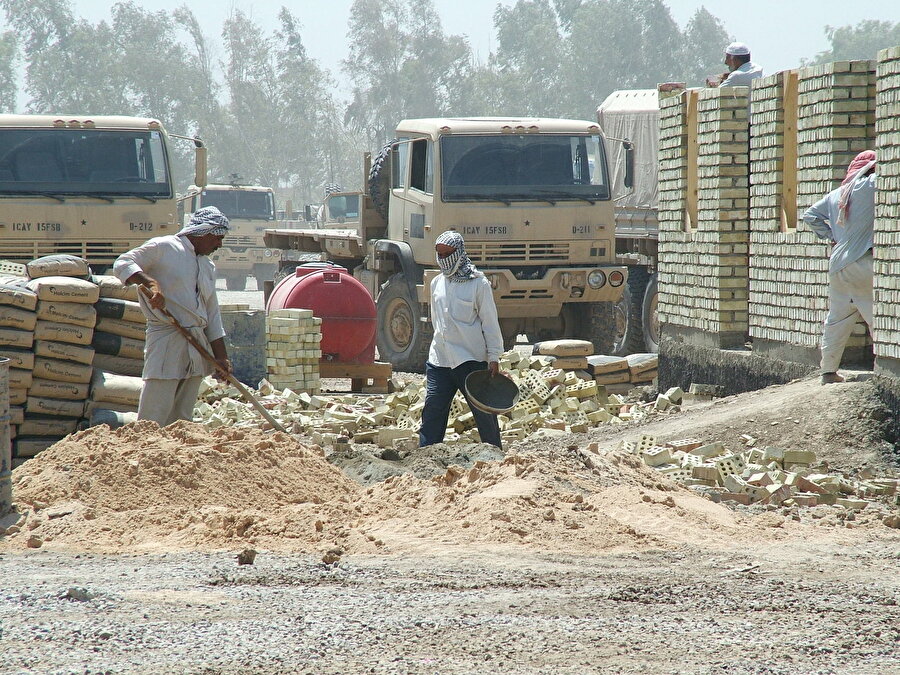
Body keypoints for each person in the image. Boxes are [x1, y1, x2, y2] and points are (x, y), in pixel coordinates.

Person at [113, 206, 233, 424]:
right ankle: (145, 449)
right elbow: (123, 263)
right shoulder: (165, 247)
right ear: (204, 232)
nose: (219, 245)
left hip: (197, 343)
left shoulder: (207, 266)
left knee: (182, 418)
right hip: (167, 337)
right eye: (218, 238)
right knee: (155, 412)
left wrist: (221, 357)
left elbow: (212, 314)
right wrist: (150, 283)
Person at [419, 230, 504, 449]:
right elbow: (436, 320)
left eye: (448, 254)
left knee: (484, 414)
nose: (444, 260)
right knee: (432, 412)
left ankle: (496, 458)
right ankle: (425, 458)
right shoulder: (436, 283)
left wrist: (493, 357)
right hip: (440, 360)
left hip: (471, 361)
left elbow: (489, 322)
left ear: (459, 253)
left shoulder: (478, 283)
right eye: (440, 254)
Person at [802, 150, 876, 385]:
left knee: (837, 319)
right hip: (863, 261)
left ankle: (828, 372)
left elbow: (810, 215)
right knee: (878, 317)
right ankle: (887, 367)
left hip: (838, 264)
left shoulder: (837, 194)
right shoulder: (871, 186)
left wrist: (832, 237)